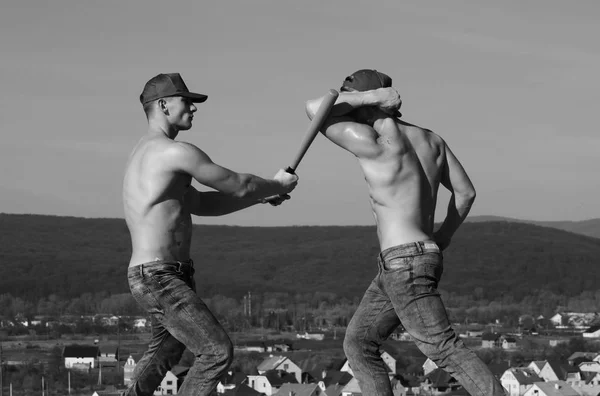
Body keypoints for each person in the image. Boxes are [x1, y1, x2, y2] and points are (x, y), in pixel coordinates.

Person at [305, 69, 506, 396]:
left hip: (402, 264)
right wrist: (444, 237)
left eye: (353, 108)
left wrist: (368, 100)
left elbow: (315, 109)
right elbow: (465, 193)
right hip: (419, 257)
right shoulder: (432, 140)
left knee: (443, 347)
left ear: (367, 103)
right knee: (358, 342)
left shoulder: (371, 140)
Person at [122, 73, 298, 396]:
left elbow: (203, 203)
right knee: (216, 351)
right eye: (186, 101)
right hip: (160, 276)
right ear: (163, 105)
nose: (193, 108)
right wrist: (275, 185)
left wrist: (260, 196)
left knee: (165, 353)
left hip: (160, 274)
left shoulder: (148, 155)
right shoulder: (171, 153)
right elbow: (237, 183)